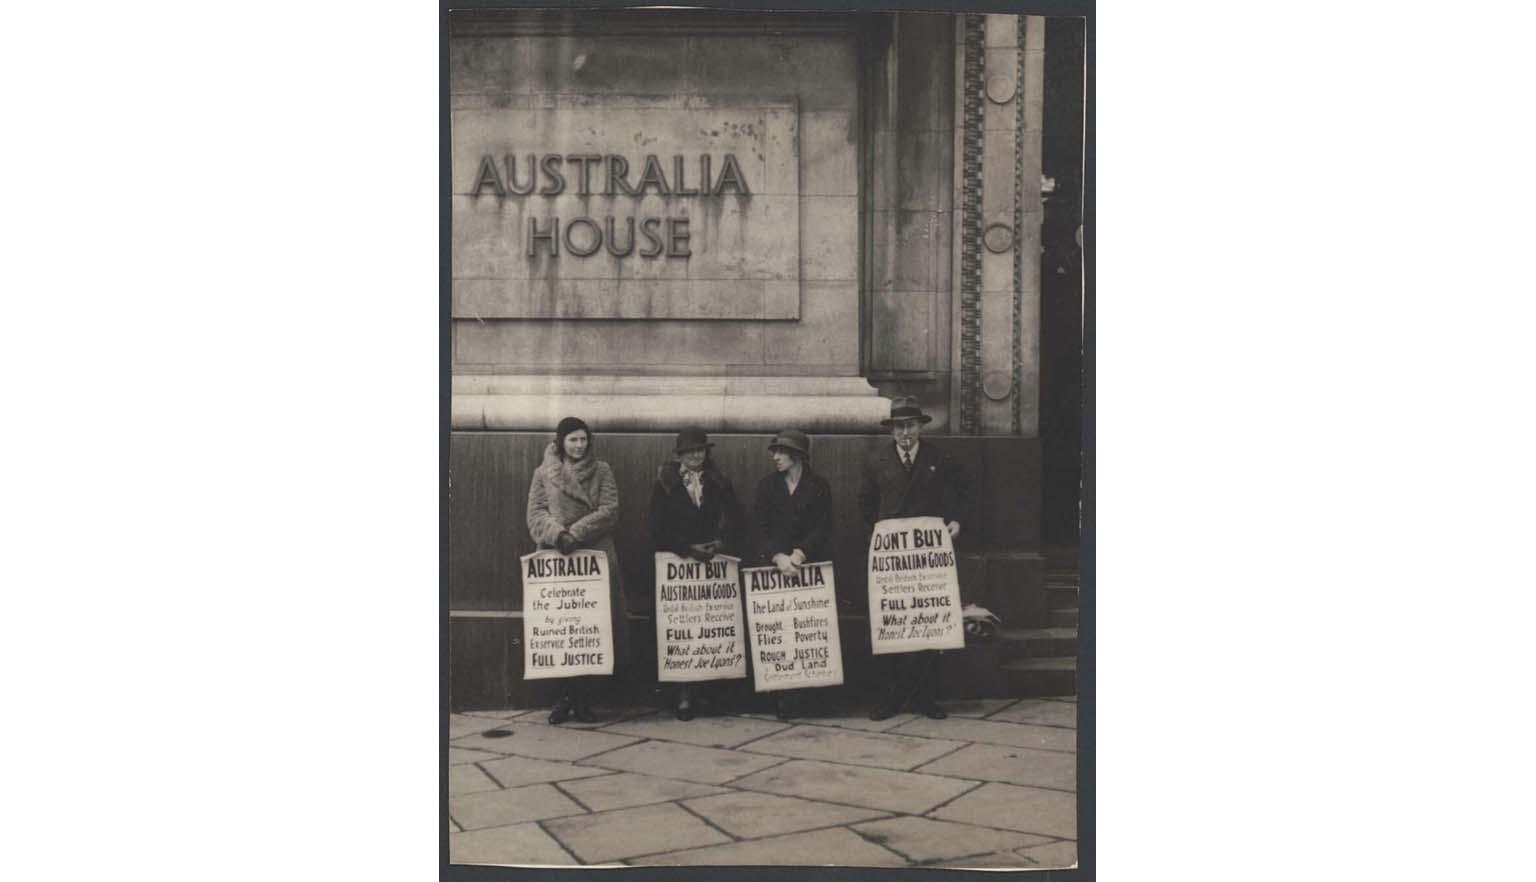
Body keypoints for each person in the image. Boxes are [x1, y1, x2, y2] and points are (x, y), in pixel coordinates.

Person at [859, 396, 969, 721]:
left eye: (910, 426)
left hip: (928, 561)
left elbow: (957, 495)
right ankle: (890, 698)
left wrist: (955, 521)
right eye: (899, 427)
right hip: (892, 563)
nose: (905, 433)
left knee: (929, 623)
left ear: (920, 427)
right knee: (892, 624)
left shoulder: (940, 458)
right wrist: (877, 538)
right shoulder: (876, 462)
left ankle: (926, 698)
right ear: (891, 431)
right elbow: (865, 504)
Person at [526, 416, 630, 724]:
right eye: (572, 440)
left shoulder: (602, 470)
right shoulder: (543, 473)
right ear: (561, 442)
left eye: (583, 439)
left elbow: (610, 510)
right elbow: (534, 513)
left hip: (593, 555)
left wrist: (577, 533)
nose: (579, 445)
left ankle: (585, 699)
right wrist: (558, 535)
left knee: (590, 628)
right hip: (557, 559)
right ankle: (563, 699)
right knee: (562, 629)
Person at [648, 427, 745, 721]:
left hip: (710, 567)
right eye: (690, 451)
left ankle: (707, 692)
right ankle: (684, 694)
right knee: (683, 629)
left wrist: (720, 542)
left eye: (700, 450)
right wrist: (686, 548)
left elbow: (735, 517)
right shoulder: (665, 484)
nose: (695, 456)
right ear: (680, 455)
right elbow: (655, 528)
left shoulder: (718, 482)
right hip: (681, 565)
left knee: (709, 627)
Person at [750, 429, 833, 719]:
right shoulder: (767, 486)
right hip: (776, 569)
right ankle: (782, 696)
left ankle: (806, 696)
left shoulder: (819, 486)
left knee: (806, 631)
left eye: (781, 452)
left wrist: (800, 553)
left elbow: (824, 526)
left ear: (797, 455)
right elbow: (758, 526)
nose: (775, 457)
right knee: (779, 631)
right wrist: (777, 556)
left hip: (807, 567)